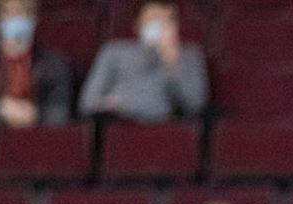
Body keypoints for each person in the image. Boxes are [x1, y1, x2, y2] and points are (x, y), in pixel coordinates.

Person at [78, 0, 208, 123]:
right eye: (153, 21)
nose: (161, 27)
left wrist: (172, 64)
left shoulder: (191, 55)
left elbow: (195, 106)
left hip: (168, 131)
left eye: (168, 20)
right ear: (138, 25)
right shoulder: (114, 52)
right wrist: (112, 104)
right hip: (121, 128)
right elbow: (87, 102)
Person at [0, 0, 73, 132]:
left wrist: (34, 112)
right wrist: (2, 107)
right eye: (11, 13)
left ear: (34, 20)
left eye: (24, 13)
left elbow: (60, 101)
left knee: (57, 118)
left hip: (38, 119)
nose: (17, 19)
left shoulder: (52, 62)